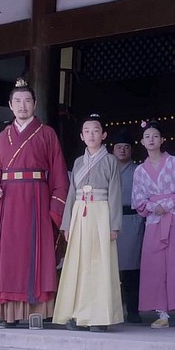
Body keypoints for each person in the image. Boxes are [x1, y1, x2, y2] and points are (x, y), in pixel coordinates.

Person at [0, 78, 69, 327]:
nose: (22, 106)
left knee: (34, 256)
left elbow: (59, 175)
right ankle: (8, 314)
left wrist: (55, 208)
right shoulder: (4, 136)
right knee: (9, 256)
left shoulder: (47, 134)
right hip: (7, 202)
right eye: (17, 101)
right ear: (10, 105)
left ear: (35, 104)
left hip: (36, 202)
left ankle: (35, 313)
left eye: (27, 101)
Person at [53, 114, 124, 332]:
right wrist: (66, 224)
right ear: (82, 136)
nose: (91, 135)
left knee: (100, 265)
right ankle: (77, 314)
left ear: (103, 135)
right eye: (87, 131)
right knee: (78, 264)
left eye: (95, 131)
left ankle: (99, 317)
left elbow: (115, 193)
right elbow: (71, 194)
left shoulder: (110, 161)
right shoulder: (78, 162)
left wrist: (114, 225)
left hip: (101, 214)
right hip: (79, 213)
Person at [131, 119, 175, 329]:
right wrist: (154, 207)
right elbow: (138, 201)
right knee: (155, 266)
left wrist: (168, 203)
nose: (151, 139)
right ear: (142, 142)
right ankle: (162, 313)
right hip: (154, 220)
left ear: (162, 140)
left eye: (155, 136)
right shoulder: (140, 170)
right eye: (147, 137)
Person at [111, 129, 145, 323]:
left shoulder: (138, 170)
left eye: (126, 147)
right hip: (110, 220)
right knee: (110, 268)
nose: (122, 150)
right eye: (119, 147)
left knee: (132, 268)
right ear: (113, 149)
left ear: (131, 150)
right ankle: (112, 311)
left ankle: (133, 310)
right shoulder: (107, 168)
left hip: (132, 220)